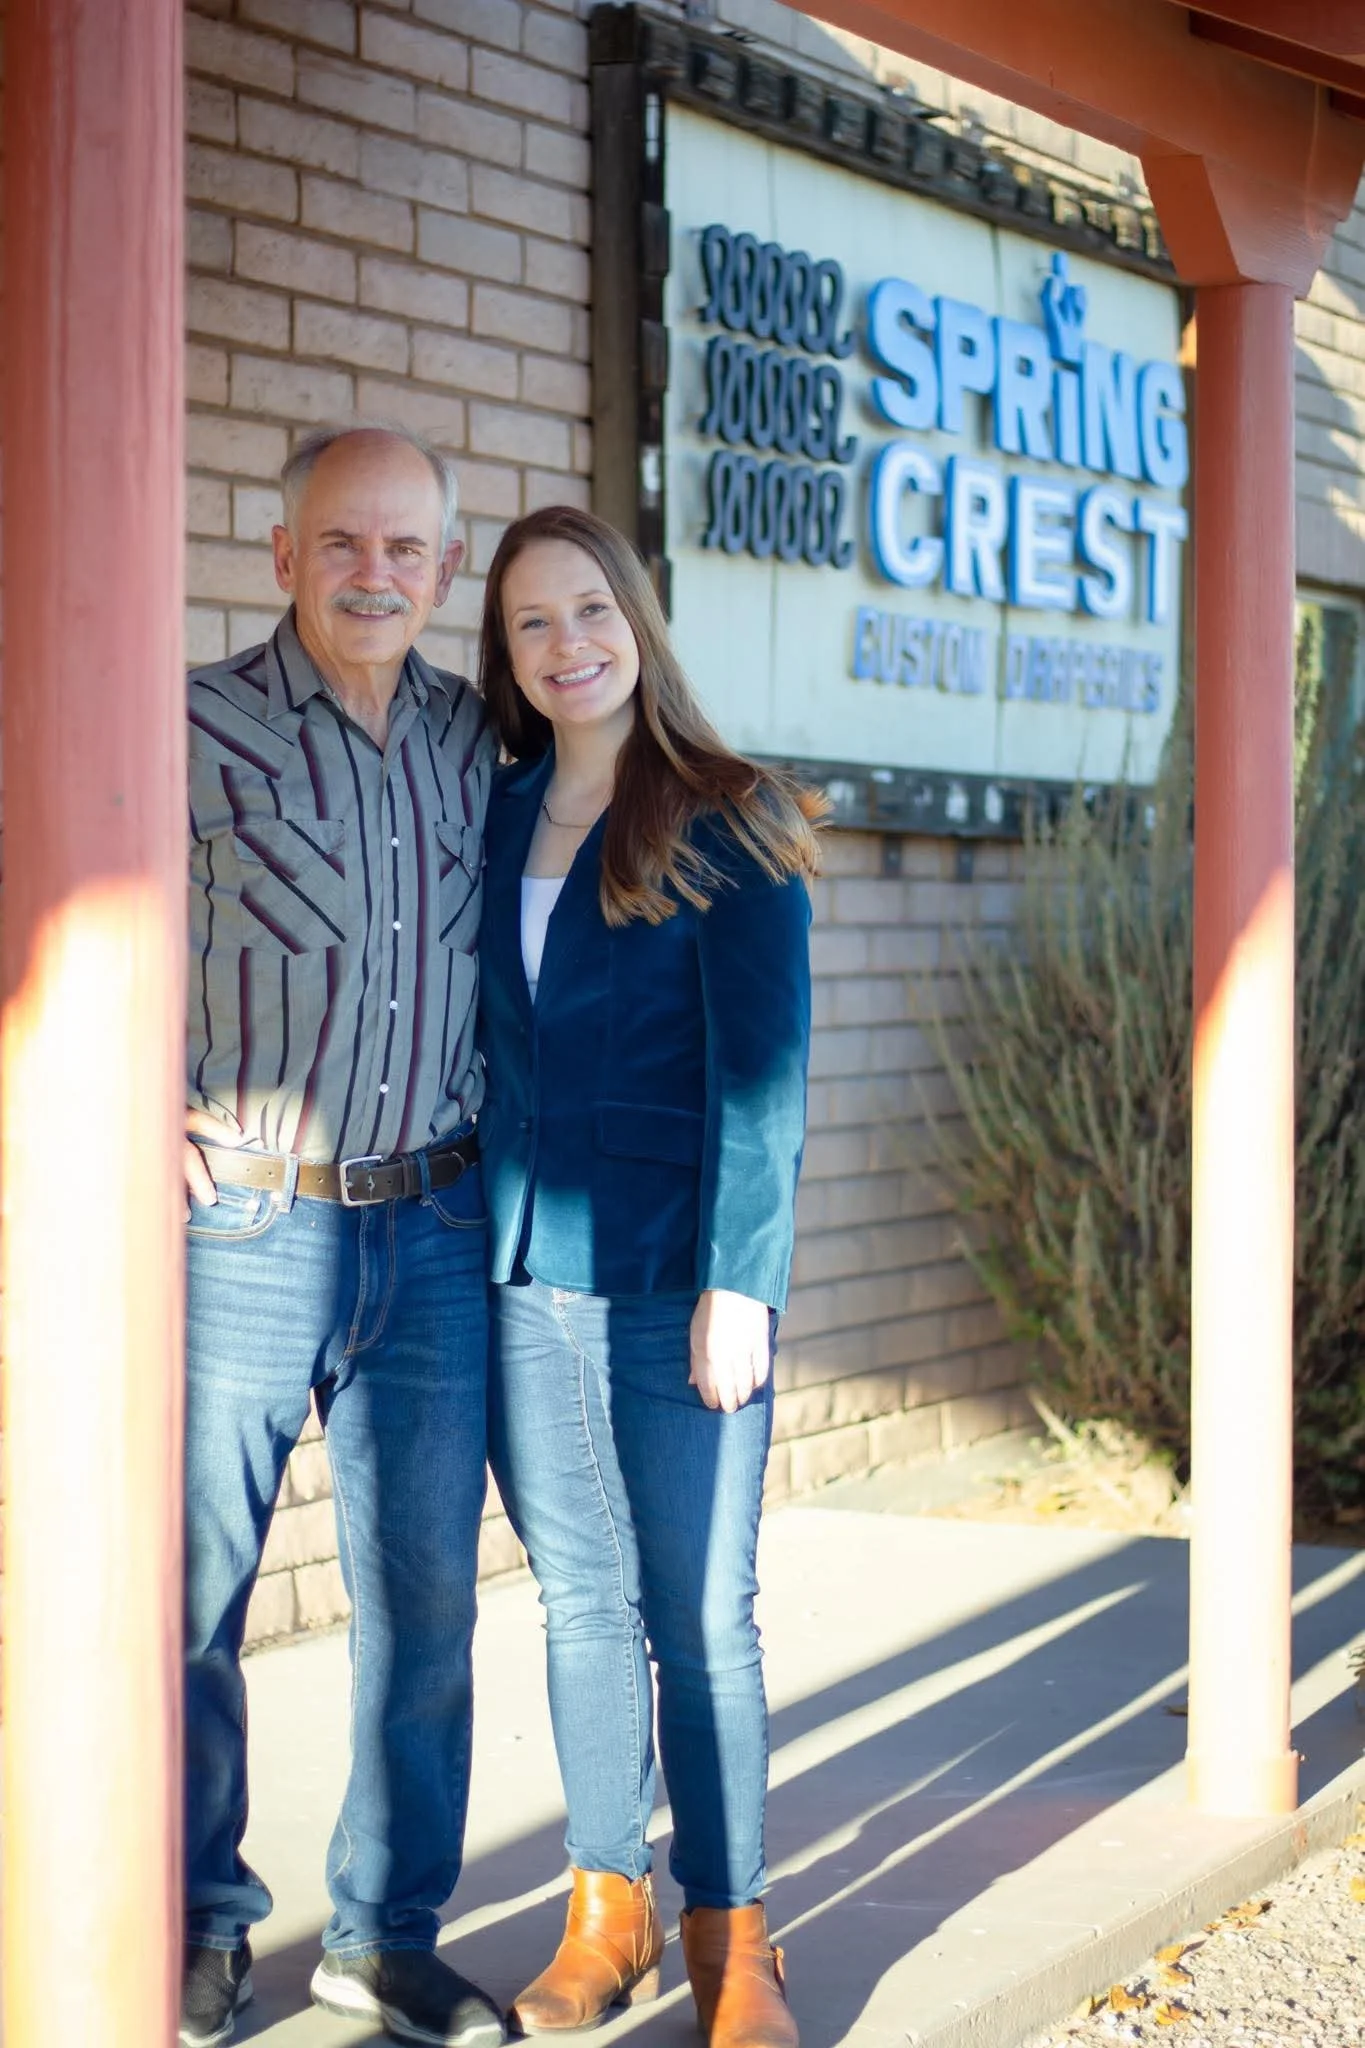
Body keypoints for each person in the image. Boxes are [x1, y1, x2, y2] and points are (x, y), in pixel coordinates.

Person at [476, 506, 822, 2048]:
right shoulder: (496, 815)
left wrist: (742, 1278)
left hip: (682, 1281)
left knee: (703, 1614)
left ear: (640, 622)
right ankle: (604, 1909)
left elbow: (764, 1072)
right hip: (524, 1270)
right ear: (509, 652)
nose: (569, 646)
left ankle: (734, 1937)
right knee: (582, 1607)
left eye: (592, 611)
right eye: (535, 623)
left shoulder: (726, 813)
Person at [181, 425, 504, 2048]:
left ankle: (383, 1936)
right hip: (239, 1221)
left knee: (426, 1602)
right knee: (192, 1597)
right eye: (344, 545)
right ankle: (188, 1921)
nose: (377, 575)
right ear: (284, 553)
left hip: (435, 1227)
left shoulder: (482, 742)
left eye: (408, 551)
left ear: (446, 571)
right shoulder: (186, 723)